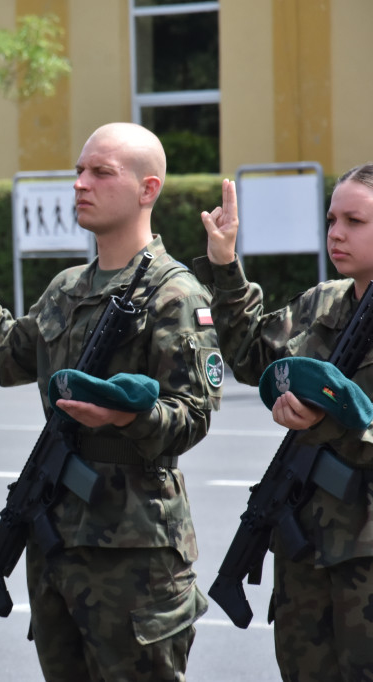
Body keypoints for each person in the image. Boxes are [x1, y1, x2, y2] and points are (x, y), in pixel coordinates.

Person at [0, 122, 222, 681]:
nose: (81, 184)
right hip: (57, 540)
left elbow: (193, 416)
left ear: (148, 189)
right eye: (79, 172)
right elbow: (6, 358)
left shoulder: (175, 293)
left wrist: (131, 415)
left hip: (134, 552)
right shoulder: (69, 287)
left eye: (101, 172)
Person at [199, 169, 373, 680]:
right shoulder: (324, 302)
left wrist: (335, 421)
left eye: (355, 220)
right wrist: (226, 265)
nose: (336, 232)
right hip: (305, 546)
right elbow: (252, 356)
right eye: (332, 219)